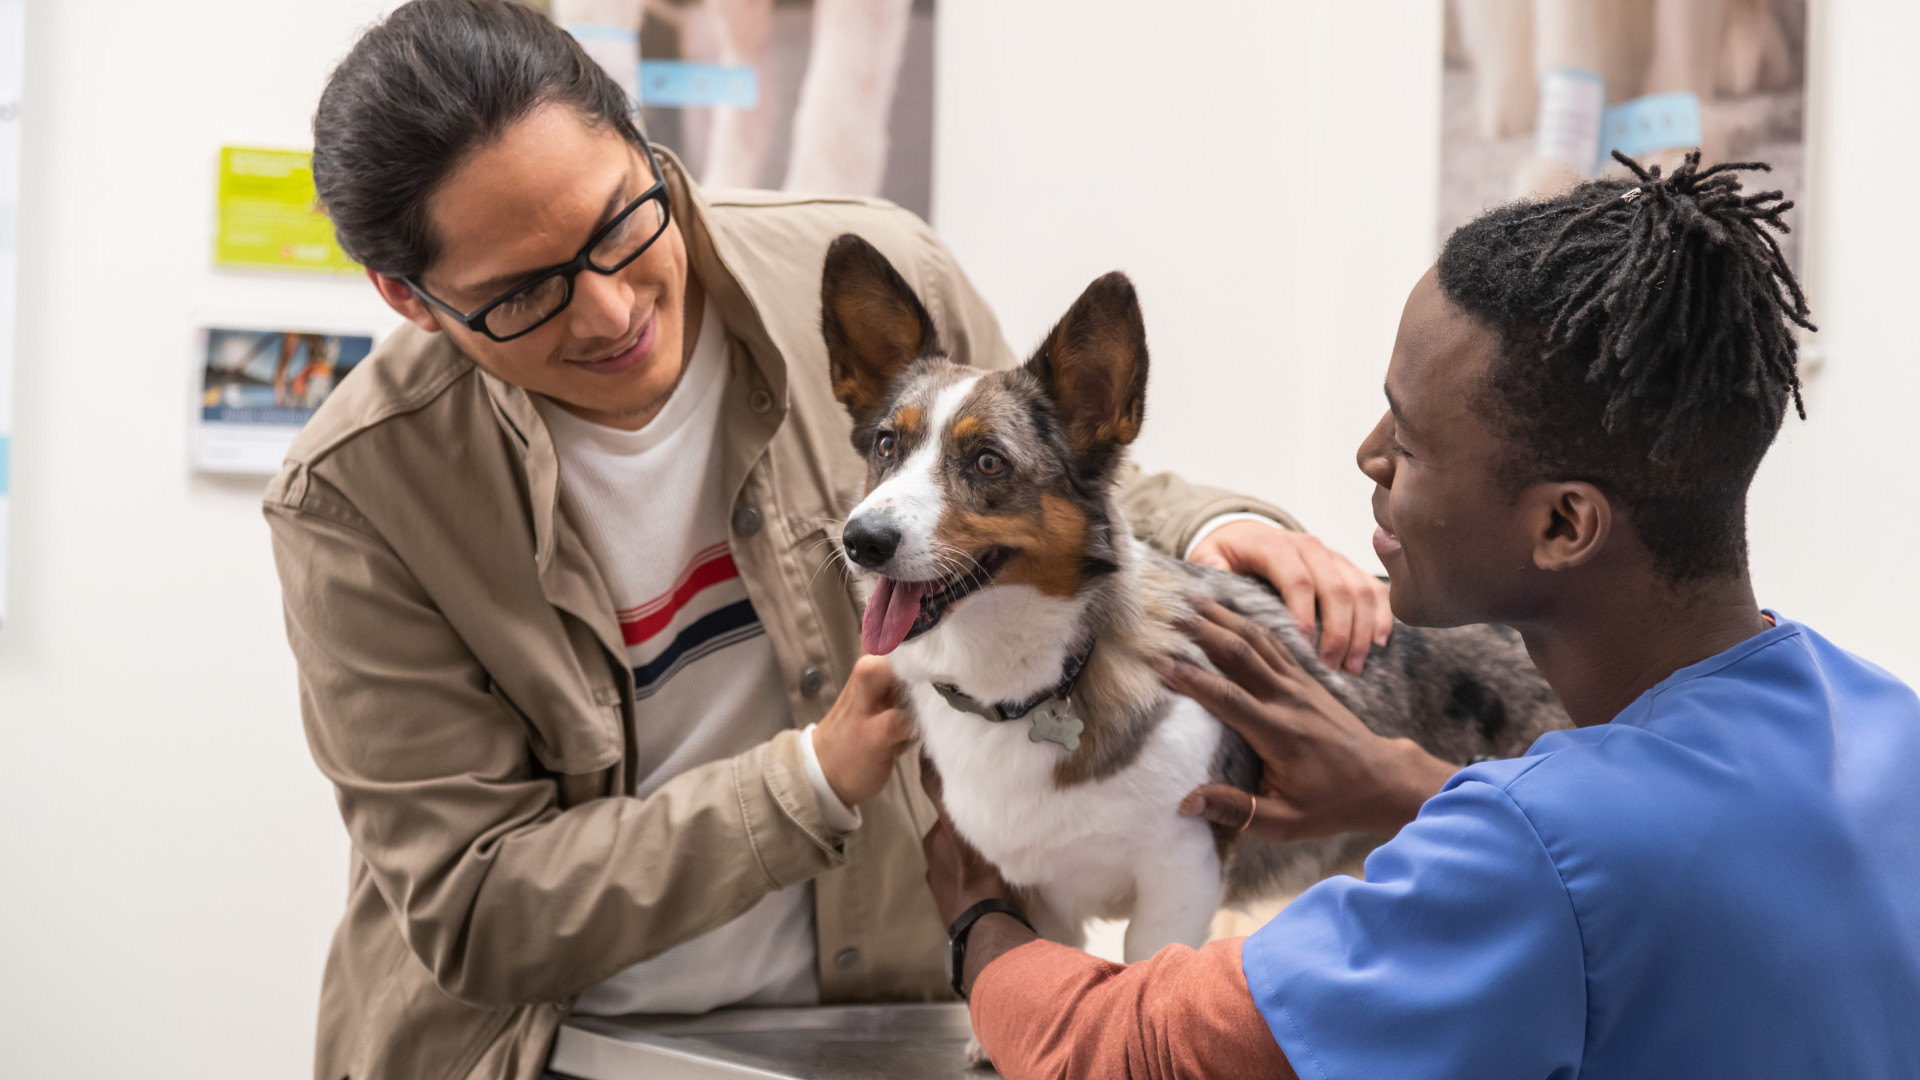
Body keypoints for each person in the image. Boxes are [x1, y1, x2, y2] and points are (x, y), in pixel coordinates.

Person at [266, 2, 1390, 1078]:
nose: (609, 309)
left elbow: (1036, 482)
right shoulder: (359, 498)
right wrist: (808, 779)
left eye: (620, 225)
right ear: (410, 299)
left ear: (645, 146)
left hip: (884, 1023)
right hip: (560, 1051)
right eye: (522, 293)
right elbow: (474, 909)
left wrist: (1224, 527)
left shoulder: (852, 265)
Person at [927, 152, 1920, 1079]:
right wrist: (1409, 786)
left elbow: (1126, 1051)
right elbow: (1668, 870)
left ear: (1565, 523)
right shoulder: (1886, 725)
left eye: (1409, 438)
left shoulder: (1526, 858)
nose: (1368, 456)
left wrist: (981, 920)